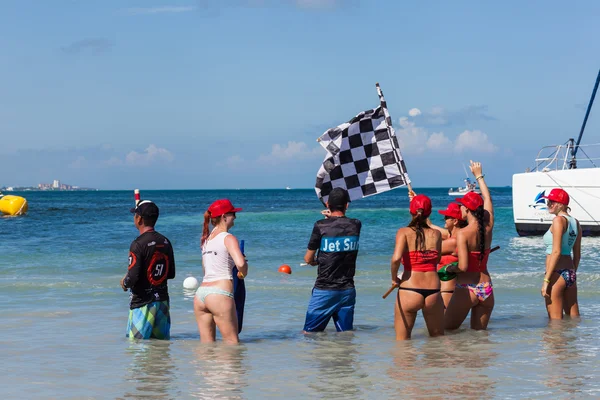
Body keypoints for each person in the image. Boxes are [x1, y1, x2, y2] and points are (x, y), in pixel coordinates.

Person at [445, 161, 495, 331]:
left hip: (468, 288)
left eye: (462, 206)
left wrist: (451, 269)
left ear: (467, 209)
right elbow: (487, 198)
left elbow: (463, 266)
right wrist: (479, 176)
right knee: (479, 339)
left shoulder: (463, 233)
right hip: (486, 289)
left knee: (446, 332)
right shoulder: (488, 226)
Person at [303, 187, 361, 332]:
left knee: (309, 334)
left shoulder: (320, 225)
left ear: (327, 204)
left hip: (324, 290)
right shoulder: (356, 225)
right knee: (345, 335)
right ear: (347, 205)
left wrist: (314, 261)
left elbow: (308, 258)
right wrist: (332, 219)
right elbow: (341, 226)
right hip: (347, 290)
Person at [391, 194, 444, 340]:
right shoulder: (437, 234)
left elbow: (396, 259)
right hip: (433, 290)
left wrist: (394, 278)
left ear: (410, 211)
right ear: (430, 213)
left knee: (403, 343)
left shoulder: (404, 232)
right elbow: (438, 259)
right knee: (437, 341)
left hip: (410, 288)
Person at [194, 199, 248, 344]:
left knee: (206, 345)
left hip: (201, 295)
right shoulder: (228, 238)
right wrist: (242, 272)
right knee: (232, 343)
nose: (235, 217)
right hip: (219, 294)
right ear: (224, 216)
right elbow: (241, 263)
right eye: (232, 214)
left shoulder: (206, 240)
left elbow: (206, 269)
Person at [121, 200, 176, 340]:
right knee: (161, 346)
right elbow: (171, 273)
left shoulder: (137, 244)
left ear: (139, 219)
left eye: (135, 215)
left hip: (142, 303)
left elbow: (132, 277)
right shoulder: (165, 241)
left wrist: (125, 283)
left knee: (137, 348)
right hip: (162, 301)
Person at [541, 188, 582, 319]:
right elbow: (577, 254)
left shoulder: (558, 221)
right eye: (548, 202)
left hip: (556, 274)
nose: (548, 205)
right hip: (570, 273)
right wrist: (572, 274)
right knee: (574, 319)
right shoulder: (576, 223)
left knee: (555, 325)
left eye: (551, 202)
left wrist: (546, 280)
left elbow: (557, 252)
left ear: (561, 204)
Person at [436, 202, 467, 309]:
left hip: (447, 291)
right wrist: (415, 201)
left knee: (443, 325)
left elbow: (429, 253)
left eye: (447, 217)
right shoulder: (456, 236)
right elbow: (429, 225)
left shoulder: (452, 242)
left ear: (455, 221)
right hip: (451, 290)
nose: (444, 219)